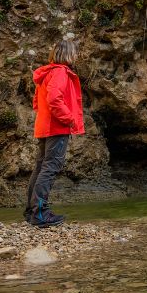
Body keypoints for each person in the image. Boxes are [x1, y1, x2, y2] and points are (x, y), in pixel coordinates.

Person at [25, 38, 84, 227]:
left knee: (41, 167)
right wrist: (70, 119)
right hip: (56, 126)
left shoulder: (47, 73)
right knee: (50, 168)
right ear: (66, 53)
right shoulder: (59, 72)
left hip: (44, 126)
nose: (76, 56)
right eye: (74, 52)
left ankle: (31, 211)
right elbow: (54, 99)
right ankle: (40, 214)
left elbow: (37, 101)